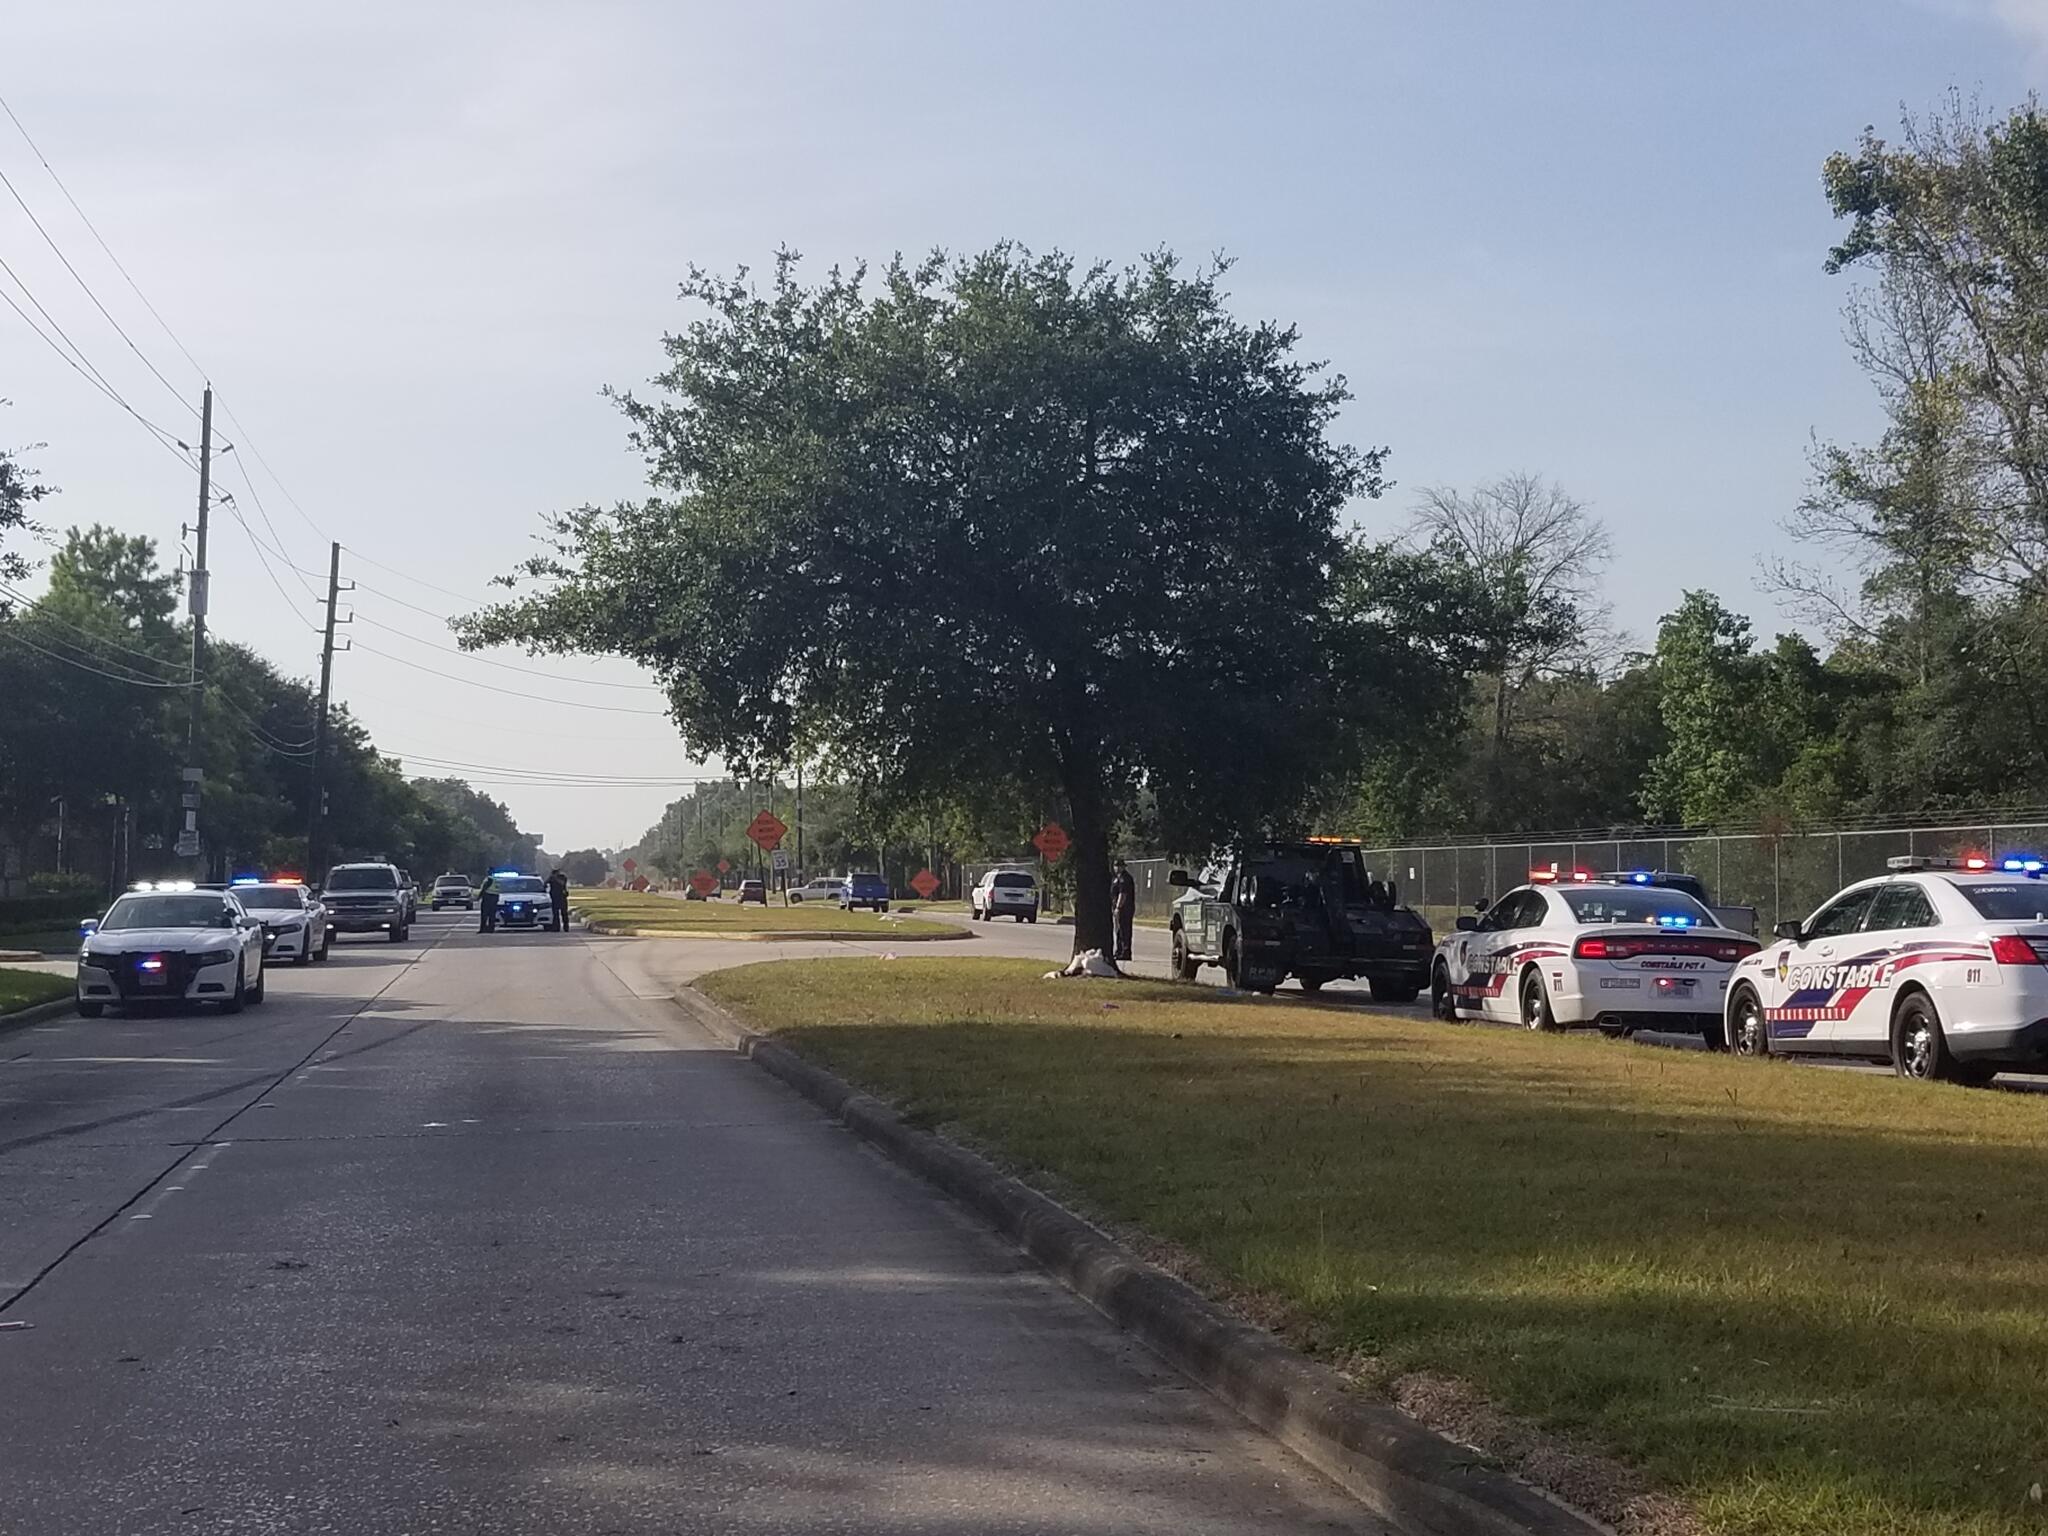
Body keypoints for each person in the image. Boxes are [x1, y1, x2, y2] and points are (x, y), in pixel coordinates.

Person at [1110, 857, 1136, 963]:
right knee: (1118, 930)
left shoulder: (1125, 878)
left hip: (1125, 908)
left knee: (1125, 930)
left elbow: (1123, 894)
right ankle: (1119, 951)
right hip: (1118, 908)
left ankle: (1125, 952)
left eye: (1119, 866)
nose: (1116, 868)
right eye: (1115, 866)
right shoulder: (1116, 877)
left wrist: (1118, 907)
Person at [546, 867, 570, 932]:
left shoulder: (562, 877)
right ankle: (556, 927)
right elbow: (545, 884)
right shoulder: (551, 879)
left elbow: (562, 884)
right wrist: (550, 878)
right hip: (554, 898)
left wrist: (555, 878)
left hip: (562, 897)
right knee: (555, 914)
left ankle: (566, 927)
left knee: (564, 913)